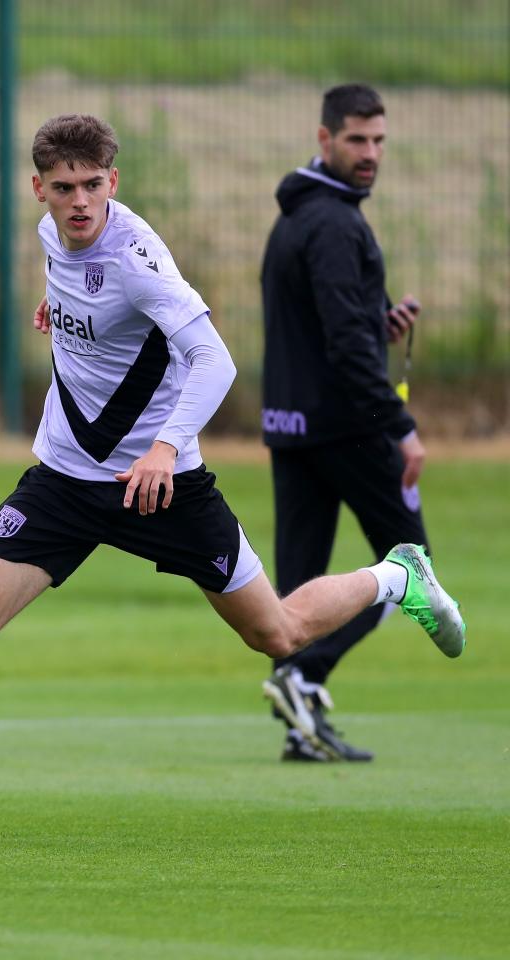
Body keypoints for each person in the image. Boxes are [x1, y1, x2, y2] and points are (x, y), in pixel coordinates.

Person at [0, 114, 464, 823]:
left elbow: (216, 361)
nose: (79, 202)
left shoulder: (140, 263)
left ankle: (398, 575)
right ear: (39, 189)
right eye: (63, 187)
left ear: (114, 181)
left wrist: (166, 447)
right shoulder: (53, 234)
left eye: (91, 186)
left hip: (162, 486)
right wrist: (61, 306)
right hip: (63, 481)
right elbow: (80, 283)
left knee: (278, 634)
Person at [258, 84, 434, 763]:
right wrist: (401, 424)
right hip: (347, 427)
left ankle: (299, 719)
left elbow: (327, 324)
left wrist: (375, 323)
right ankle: (304, 677)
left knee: (298, 588)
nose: (371, 154)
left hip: (290, 426)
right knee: (411, 571)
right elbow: (344, 346)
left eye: (380, 141)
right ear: (324, 138)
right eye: (358, 140)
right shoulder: (335, 222)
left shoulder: (297, 217)